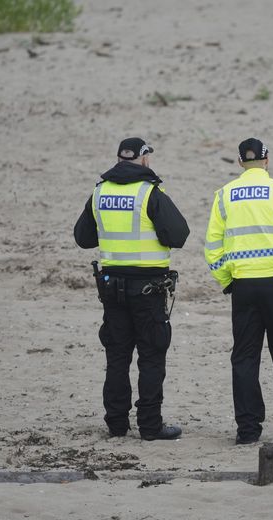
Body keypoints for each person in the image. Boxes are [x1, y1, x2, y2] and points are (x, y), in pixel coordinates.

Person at [74, 137, 189, 440]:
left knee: (117, 358)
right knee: (151, 357)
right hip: (148, 290)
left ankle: (116, 425)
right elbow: (179, 235)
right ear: (143, 158)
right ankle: (150, 427)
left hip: (112, 289)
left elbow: (83, 238)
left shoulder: (100, 192)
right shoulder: (149, 193)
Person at [204, 137, 273, 445]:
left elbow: (212, 248)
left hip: (243, 286)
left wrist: (227, 279)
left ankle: (248, 430)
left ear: (240, 163)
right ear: (267, 160)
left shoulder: (224, 195)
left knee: (244, 358)